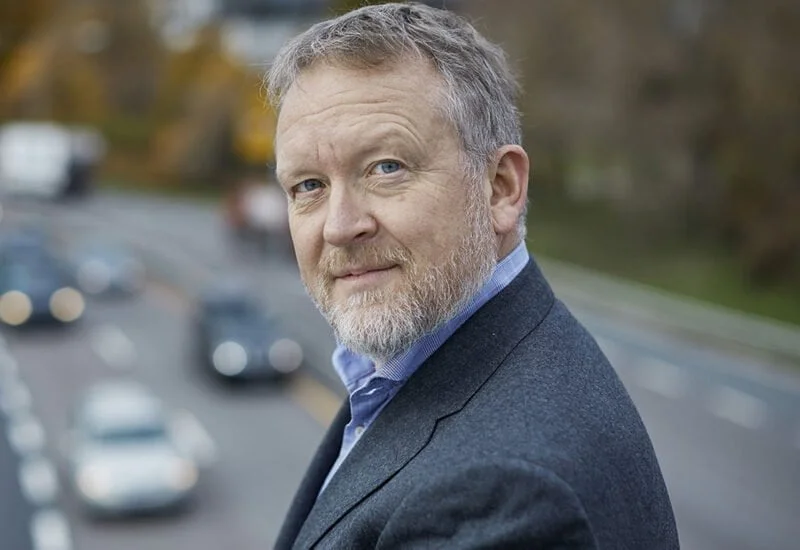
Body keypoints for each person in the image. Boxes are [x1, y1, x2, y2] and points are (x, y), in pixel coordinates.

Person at [267, 3, 679, 549]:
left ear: (501, 188)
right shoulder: (421, 366)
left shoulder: (508, 495)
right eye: (309, 186)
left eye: (387, 167)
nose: (340, 227)